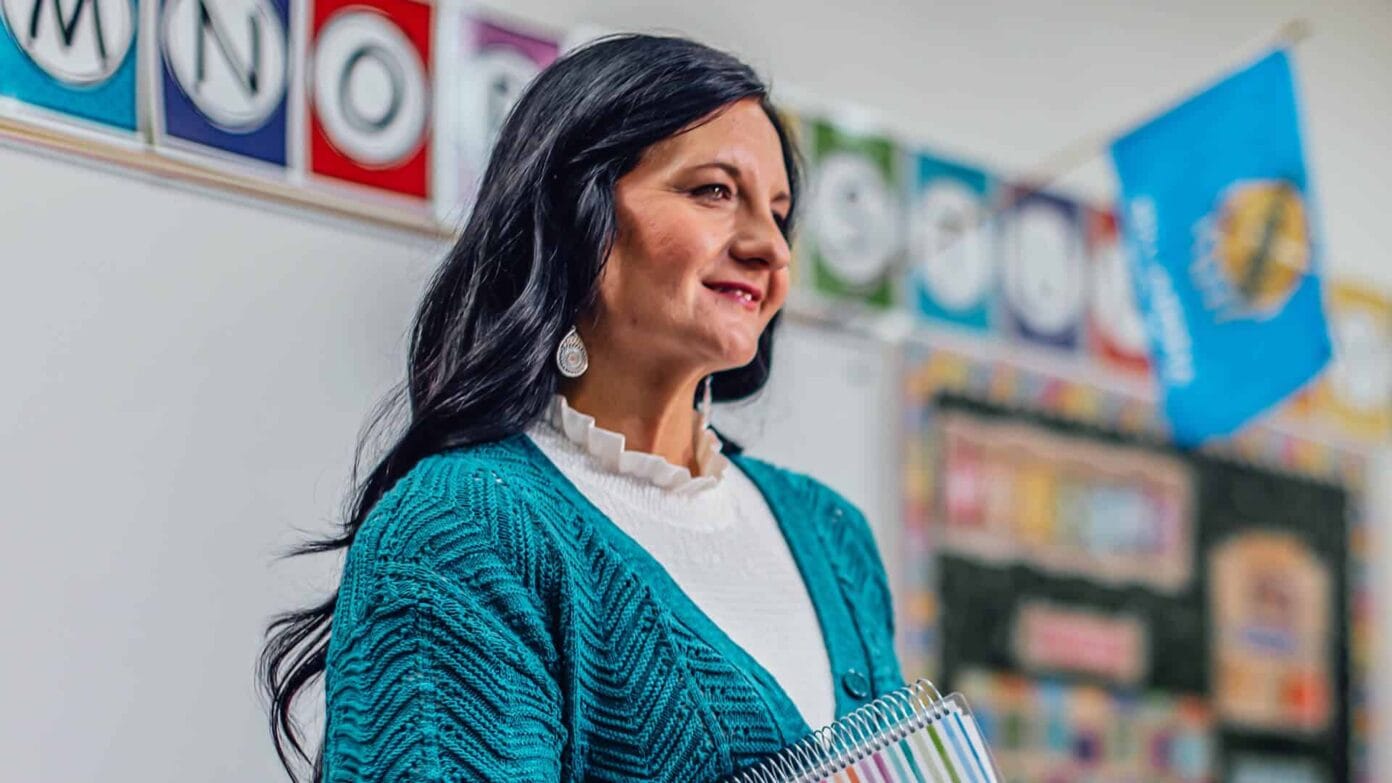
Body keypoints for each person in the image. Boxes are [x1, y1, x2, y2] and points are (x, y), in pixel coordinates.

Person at [260, 33, 902, 782]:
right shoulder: (464, 527)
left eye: (779, 211)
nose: (770, 247)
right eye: (714, 192)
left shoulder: (832, 535)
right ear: (578, 216)